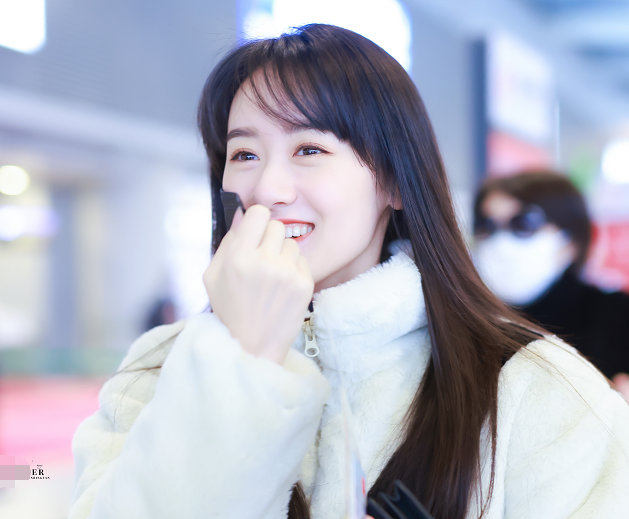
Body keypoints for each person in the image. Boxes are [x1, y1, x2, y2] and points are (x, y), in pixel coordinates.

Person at [68, 25, 629, 519]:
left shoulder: (536, 387)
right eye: (244, 155)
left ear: (394, 180)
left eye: (309, 149)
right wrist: (239, 361)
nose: (267, 189)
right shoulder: (157, 372)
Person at [473, 171, 629, 396]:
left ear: (570, 241)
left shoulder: (617, 317)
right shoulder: (465, 321)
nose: (501, 243)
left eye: (524, 224)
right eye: (487, 227)